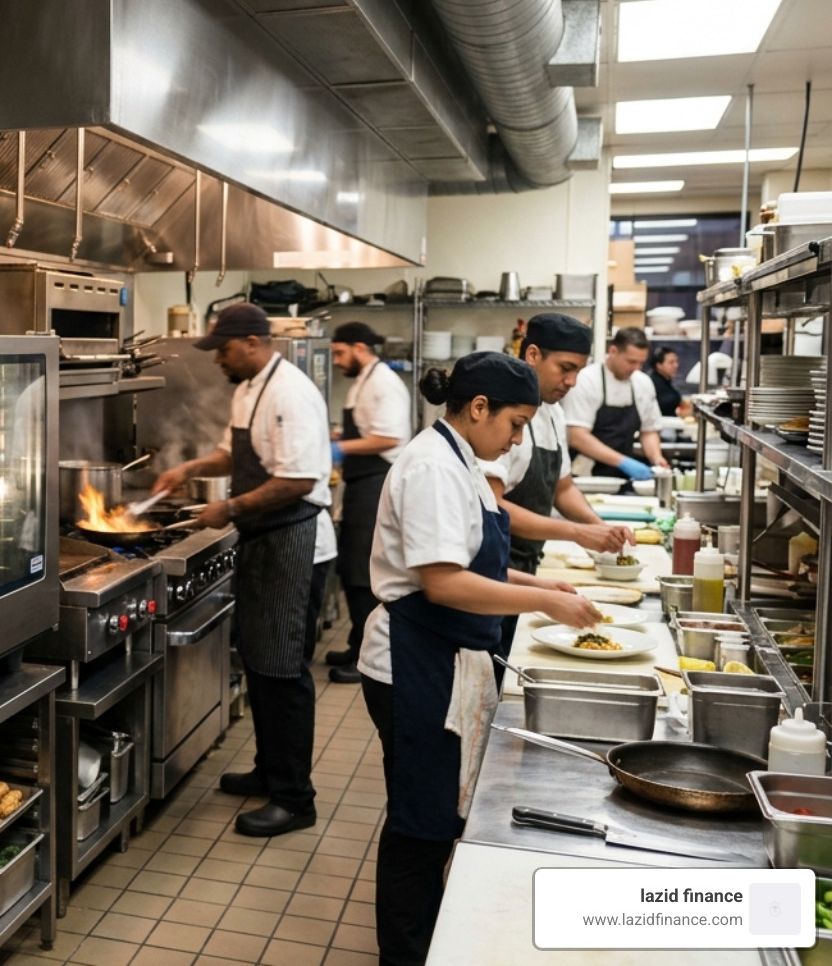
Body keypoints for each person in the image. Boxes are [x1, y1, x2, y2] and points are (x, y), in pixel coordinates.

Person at [357, 352, 601, 966]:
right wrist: (544, 600)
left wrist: (540, 585)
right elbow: (443, 583)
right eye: (515, 424)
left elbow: (472, 561)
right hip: (412, 662)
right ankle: (405, 956)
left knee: (438, 817)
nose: (517, 440)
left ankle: (429, 938)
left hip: (442, 657)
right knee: (420, 825)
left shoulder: (463, 459)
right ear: (478, 407)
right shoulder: (432, 467)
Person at [151, 303, 335, 837]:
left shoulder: (290, 393)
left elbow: (298, 481)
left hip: (295, 542)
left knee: (284, 673)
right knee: (260, 662)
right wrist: (188, 468)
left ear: (253, 343)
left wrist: (229, 508)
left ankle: (295, 799)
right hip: (265, 540)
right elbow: (234, 454)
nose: (219, 360)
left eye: (224, 350)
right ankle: (269, 770)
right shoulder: (249, 387)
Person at [479, 314, 634, 669]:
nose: (572, 382)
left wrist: (600, 529)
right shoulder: (504, 414)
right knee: (498, 665)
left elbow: (562, 487)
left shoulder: (552, 412)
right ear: (533, 354)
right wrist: (576, 532)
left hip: (527, 566)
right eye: (565, 368)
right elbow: (492, 505)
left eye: (579, 370)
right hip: (498, 567)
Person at [325, 321, 411, 684]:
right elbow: (368, 430)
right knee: (352, 568)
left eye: (339, 353)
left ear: (359, 348)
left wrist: (338, 448)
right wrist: (339, 436)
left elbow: (388, 438)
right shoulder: (365, 380)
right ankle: (357, 643)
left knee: (362, 573)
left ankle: (368, 657)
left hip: (376, 485)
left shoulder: (383, 383)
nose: (336, 361)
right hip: (361, 483)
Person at [562, 327, 667, 483]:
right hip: (586, 475)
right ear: (613, 351)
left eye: (641, 363)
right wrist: (623, 462)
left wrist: (656, 459)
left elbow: (648, 430)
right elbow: (577, 436)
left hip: (624, 476)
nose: (636, 368)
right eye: (631, 362)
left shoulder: (643, 382)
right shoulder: (586, 380)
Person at [646, 345, 690, 418]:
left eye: (676, 361)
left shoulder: (666, 381)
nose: (676, 365)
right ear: (659, 365)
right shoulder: (653, 383)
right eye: (671, 362)